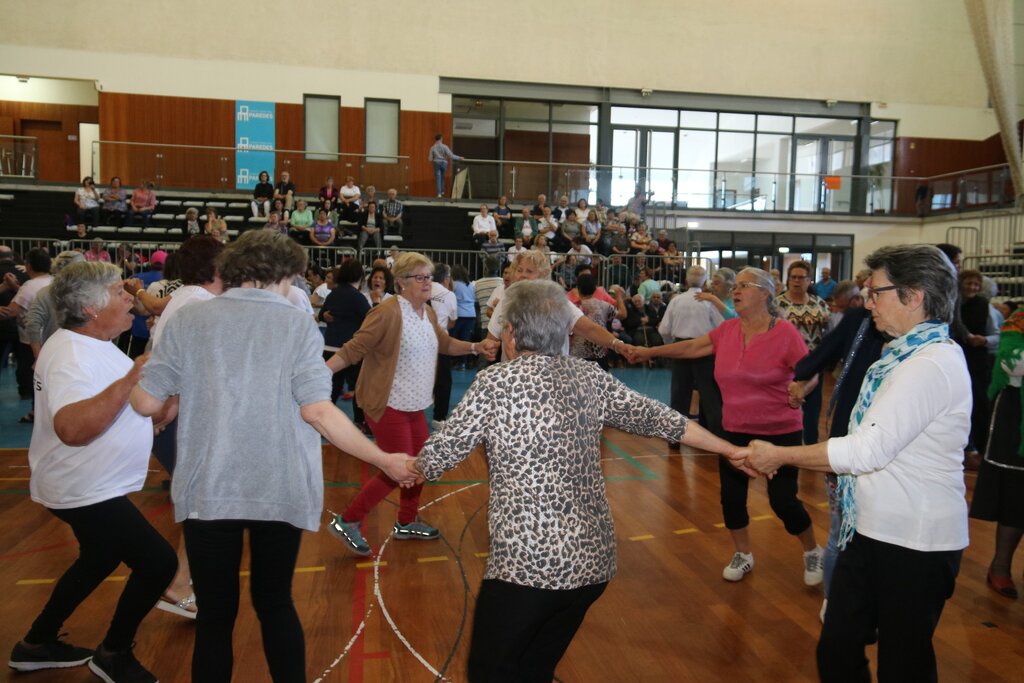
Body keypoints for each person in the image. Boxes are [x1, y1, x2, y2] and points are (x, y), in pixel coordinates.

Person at [411, 278, 747, 683]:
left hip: (527, 567)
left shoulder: (495, 383)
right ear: (564, 333)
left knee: (490, 670)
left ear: (512, 333)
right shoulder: (590, 377)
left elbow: (439, 456)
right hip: (592, 566)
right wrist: (730, 450)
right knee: (535, 666)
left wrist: (401, 464)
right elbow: (663, 419)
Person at [130, 230, 417, 682]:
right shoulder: (296, 324)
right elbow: (319, 412)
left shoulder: (189, 321)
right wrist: (384, 458)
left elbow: (146, 403)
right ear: (285, 274)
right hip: (277, 486)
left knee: (215, 618)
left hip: (209, 488)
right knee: (275, 602)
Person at [741, 244, 969, 683]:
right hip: (871, 530)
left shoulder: (930, 364)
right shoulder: (901, 356)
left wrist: (780, 453)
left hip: (916, 542)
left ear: (914, 296)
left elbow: (867, 450)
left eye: (876, 292)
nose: (867, 302)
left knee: (904, 664)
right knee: (838, 649)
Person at [8, 261, 177, 681]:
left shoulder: (95, 346)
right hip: (83, 486)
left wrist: (169, 394)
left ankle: (35, 643)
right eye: (120, 292)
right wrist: (133, 377)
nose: (130, 297)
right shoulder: (69, 354)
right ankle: (114, 653)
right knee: (157, 563)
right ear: (90, 308)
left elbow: (140, 414)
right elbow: (72, 428)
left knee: (99, 557)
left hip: (91, 483)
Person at [630, 267, 824, 585]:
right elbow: (691, 347)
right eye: (737, 284)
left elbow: (810, 370)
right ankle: (744, 554)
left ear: (765, 293)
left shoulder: (784, 333)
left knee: (783, 500)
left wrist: (801, 389)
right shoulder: (728, 330)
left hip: (780, 431)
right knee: (732, 499)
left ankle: (812, 550)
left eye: (745, 285)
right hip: (735, 429)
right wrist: (648, 351)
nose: (736, 289)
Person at [325, 252, 497, 556]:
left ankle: (405, 522)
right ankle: (348, 521)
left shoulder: (427, 312)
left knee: (422, 466)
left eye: (429, 276)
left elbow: (443, 343)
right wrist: (321, 373)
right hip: (387, 404)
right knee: (399, 470)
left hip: (415, 406)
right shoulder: (387, 312)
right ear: (401, 282)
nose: (427, 282)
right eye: (420, 277)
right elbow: (355, 349)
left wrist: (474, 345)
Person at [790, 285, 885, 620]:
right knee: (840, 527)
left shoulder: (921, 343)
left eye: (877, 292)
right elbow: (816, 358)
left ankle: (863, 598)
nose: (869, 300)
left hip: (889, 447)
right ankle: (833, 597)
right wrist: (798, 378)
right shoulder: (858, 320)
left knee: (873, 531)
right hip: (849, 440)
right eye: (868, 292)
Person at [970, 306, 1024, 599]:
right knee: (1016, 496)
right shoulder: (1018, 322)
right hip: (1016, 421)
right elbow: (1011, 364)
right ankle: (1000, 566)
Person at [658, 265, 725, 441]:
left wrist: (670, 346)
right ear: (705, 282)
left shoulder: (676, 300)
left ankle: (674, 438)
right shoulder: (708, 301)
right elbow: (722, 328)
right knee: (710, 396)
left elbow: (664, 329)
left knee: (679, 395)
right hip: (704, 349)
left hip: (681, 348)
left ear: (686, 281)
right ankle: (716, 437)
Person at [776, 260, 830, 445]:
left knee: (813, 410)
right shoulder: (777, 305)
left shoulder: (819, 304)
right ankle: (786, 446)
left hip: (814, 364)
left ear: (809, 281)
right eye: (793, 277)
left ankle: (810, 446)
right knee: (787, 407)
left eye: (801, 278)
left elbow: (828, 333)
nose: (796, 281)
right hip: (786, 367)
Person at [321, 260, 371, 428]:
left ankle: (323, 419)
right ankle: (359, 421)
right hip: (351, 349)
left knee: (331, 388)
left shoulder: (333, 294)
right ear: (360, 276)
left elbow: (322, 315)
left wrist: (327, 317)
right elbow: (370, 320)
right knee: (358, 387)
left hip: (330, 346)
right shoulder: (358, 297)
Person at [0, 249, 53, 407]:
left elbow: (9, 312)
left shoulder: (29, 286)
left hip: (32, 340)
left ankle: (36, 409)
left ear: (28, 265)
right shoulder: (53, 281)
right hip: (52, 335)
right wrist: (14, 287)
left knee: (30, 375)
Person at [960, 268, 999, 464]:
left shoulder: (985, 306)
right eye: (969, 283)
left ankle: (980, 450)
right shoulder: (953, 304)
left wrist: (984, 340)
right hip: (958, 359)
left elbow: (997, 336)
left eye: (976, 284)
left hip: (977, 362)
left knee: (979, 406)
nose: (972, 287)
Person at [571, 274, 624, 369]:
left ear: (578, 289)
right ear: (595, 289)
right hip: (599, 352)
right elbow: (623, 314)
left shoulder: (574, 307)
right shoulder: (605, 306)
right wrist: (619, 296)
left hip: (578, 353)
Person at [450, 264, 476, 369]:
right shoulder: (470, 285)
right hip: (471, 314)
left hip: (459, 314)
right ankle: (463, 363)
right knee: (466, 339)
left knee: (454, 339)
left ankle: (452, 361)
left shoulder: (454, 284)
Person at [428, 133, 461, 198]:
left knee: (438, 178)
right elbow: (451, 155)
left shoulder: (432, 147)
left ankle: (439, 194)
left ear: (435, 139)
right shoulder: (445, 146)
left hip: (436, 162)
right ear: (441, 139)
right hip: (444, 163)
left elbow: (430, 159)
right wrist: (459, 157)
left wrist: (434, 158)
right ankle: (442, 191)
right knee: (442, 177)